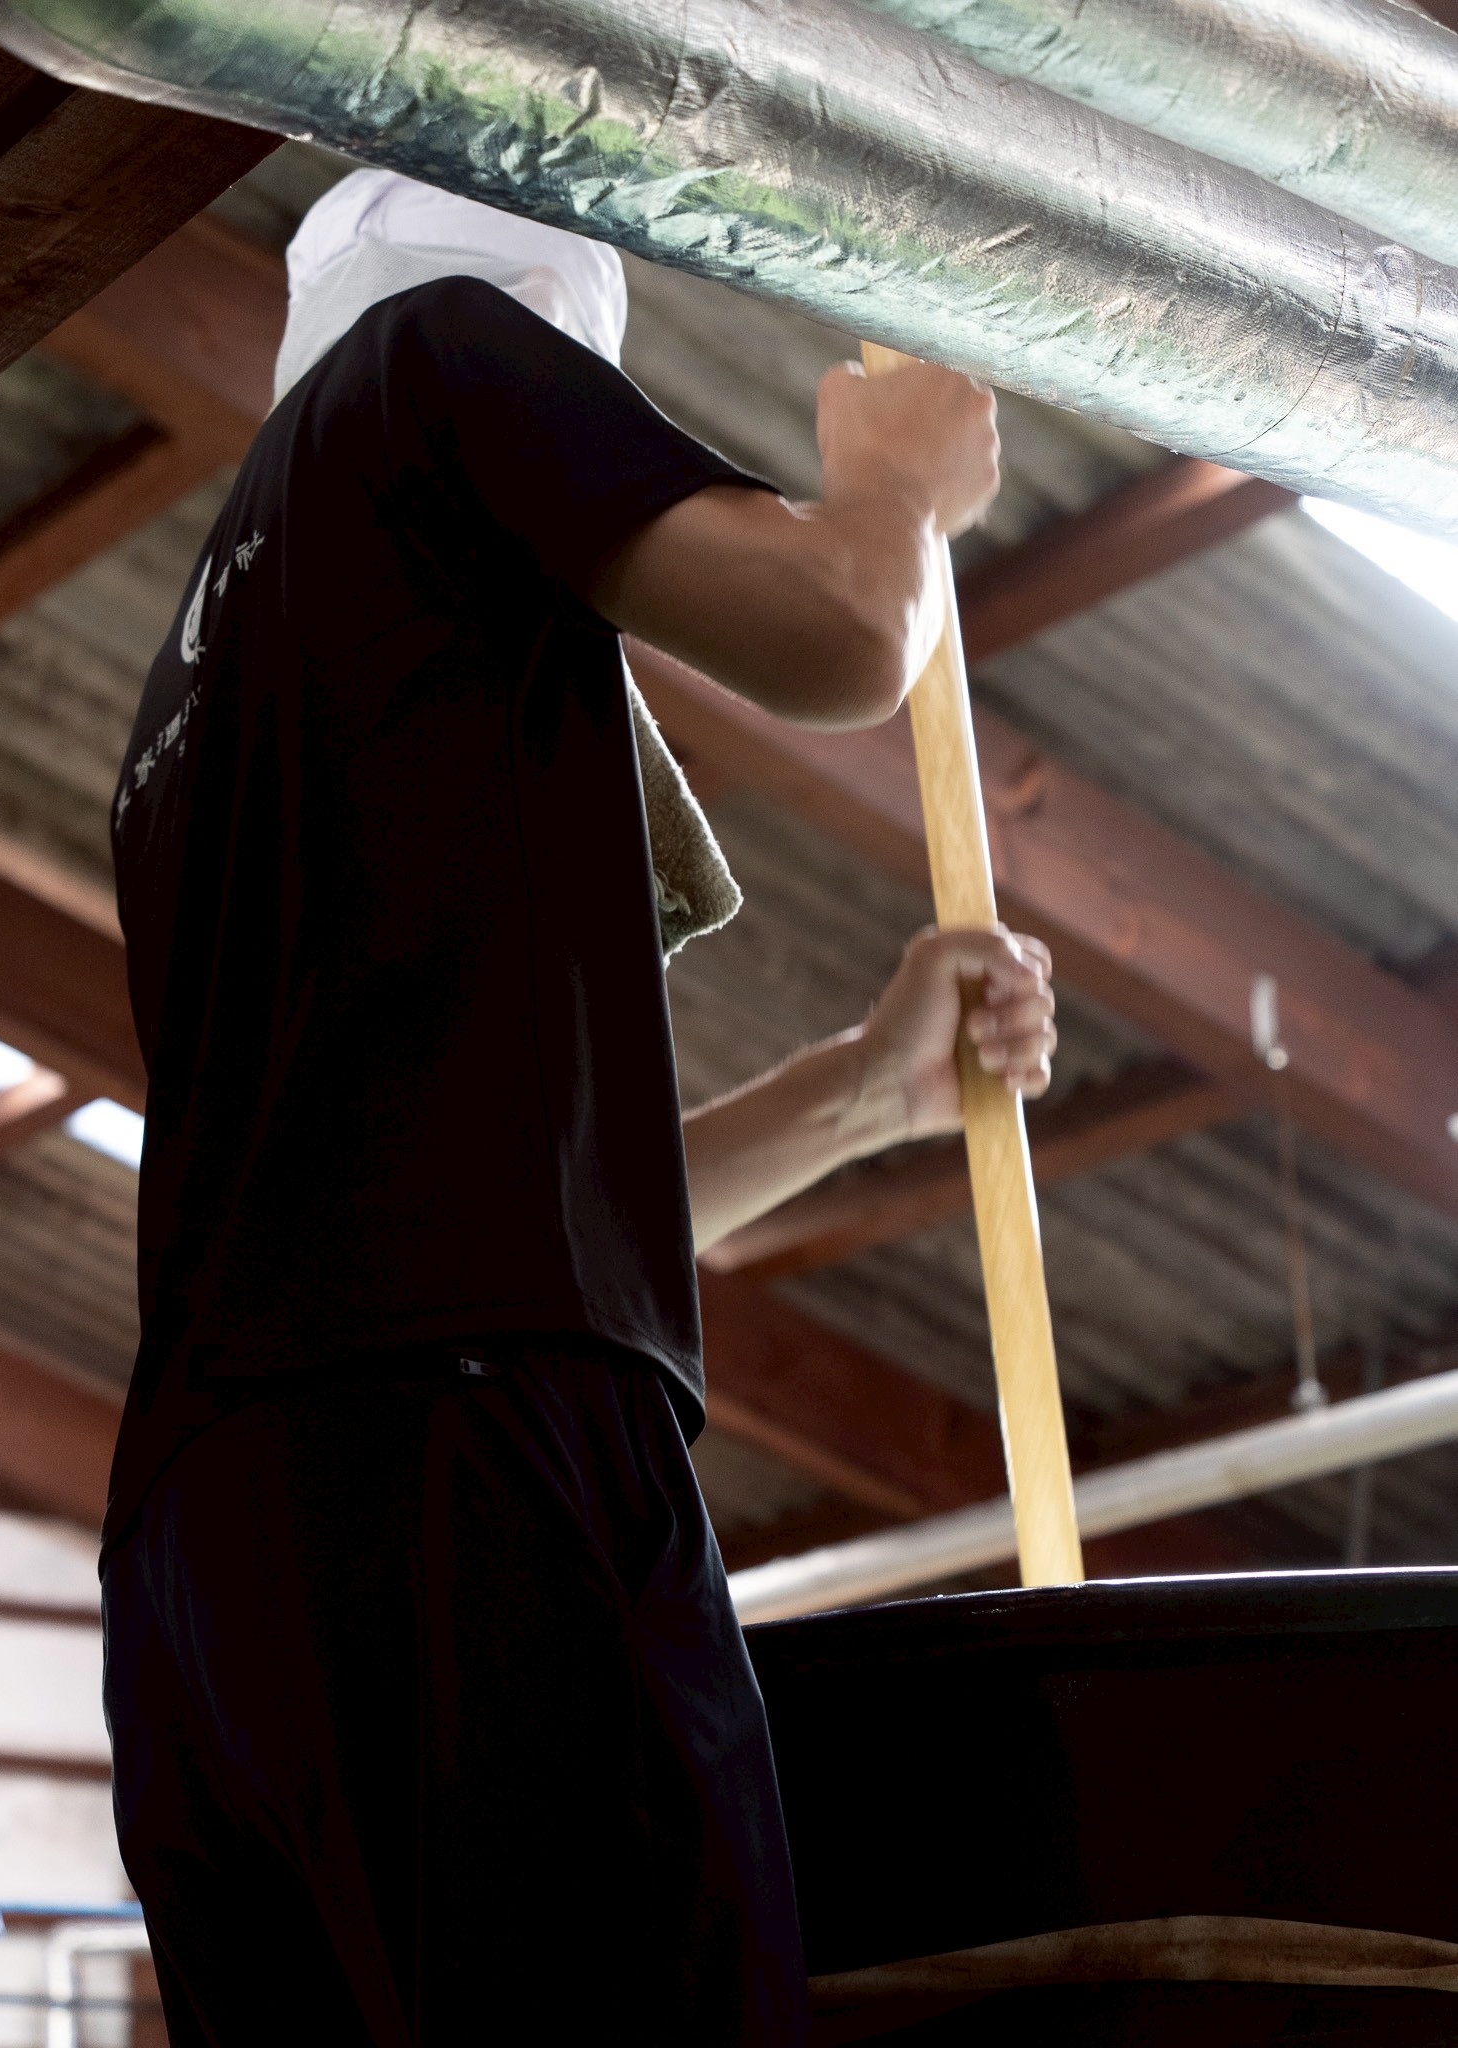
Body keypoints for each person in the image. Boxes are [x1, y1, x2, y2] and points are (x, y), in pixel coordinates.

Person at [100, 170, 1054, 2047]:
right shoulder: (440, 365)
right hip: (474, 1501)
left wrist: (864, 1089)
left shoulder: (188, 706)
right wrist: (901, 486)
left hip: (207, 1577)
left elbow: (465, 1205)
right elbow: (852, 633)